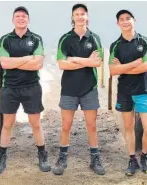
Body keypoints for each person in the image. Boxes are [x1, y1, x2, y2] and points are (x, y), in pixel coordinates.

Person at [0, 6, 51, 175]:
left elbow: (38, 64)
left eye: (24, 16)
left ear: (28, 20)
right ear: (13, 20)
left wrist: (15, 61)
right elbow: (4, 64)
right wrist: (27, 58)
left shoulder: (36, 39)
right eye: (17, 16)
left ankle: (42, 155)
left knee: (36, 124)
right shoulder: (5, 39)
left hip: (31, 87)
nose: (21, 18)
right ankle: (1, 157)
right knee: (7, 124)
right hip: (10, 87)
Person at [52, 3, 106, 176]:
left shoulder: (94, 38)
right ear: (72, 17)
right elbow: (61, 64)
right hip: (68, 89)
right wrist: (86, 61)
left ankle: (95, 159)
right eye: (77, 14)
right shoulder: (65, 38)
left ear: (87, 17)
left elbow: (97, 62)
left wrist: (74, 59)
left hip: (89, 88)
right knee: (66, 125)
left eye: (83, 13)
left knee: (91, 125)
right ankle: (62, 158)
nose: (80, 16)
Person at [109, 9, 147, 176]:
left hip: (144, 90)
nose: (125, 21)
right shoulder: (116, 46)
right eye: (122, 19)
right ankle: (132, 159)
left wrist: (123, 67)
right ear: (118, 23)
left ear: (134, 20)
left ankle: (144, 155)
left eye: (128, 18)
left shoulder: (144, 41)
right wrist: (135, 63)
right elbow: (113, 70)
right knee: (129, 127)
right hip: (125, 92)